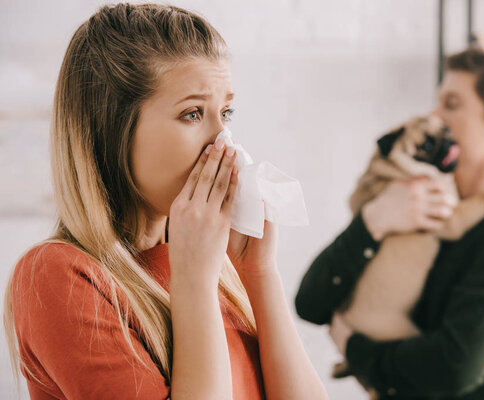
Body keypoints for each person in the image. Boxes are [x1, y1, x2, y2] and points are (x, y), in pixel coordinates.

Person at [4, 4, 328, 400]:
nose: (223, 141)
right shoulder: (57, 275)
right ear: (113, 131)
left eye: (226, 112)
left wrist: (258, 273)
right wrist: (193, 279)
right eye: (193, 113)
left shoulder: (212, 266)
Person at [295, 47, 484, 400]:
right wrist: (374, 220)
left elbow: (454, 366)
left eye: (451, 104)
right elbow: (310, 304)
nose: (433, 116)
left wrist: (355, 350)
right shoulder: (410, 205)